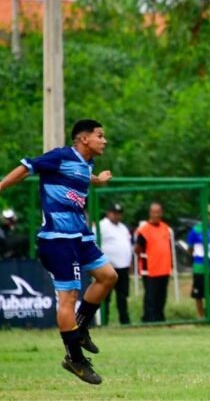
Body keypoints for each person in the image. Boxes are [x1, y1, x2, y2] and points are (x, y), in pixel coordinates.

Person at [0, 119, 116, 384]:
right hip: (57, 239)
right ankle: (74, 359)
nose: (104, 140)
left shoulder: (86, 164)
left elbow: (83, 177)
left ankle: (81, 328)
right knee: (68, 297)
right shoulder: (60, 156)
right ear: (84, 139)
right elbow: (26, 167)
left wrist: (99, 180)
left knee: (108, 276)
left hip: (80, 236)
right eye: (100, 135)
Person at [135, 203, 173, 323]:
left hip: (164, 268)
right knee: (151, 296)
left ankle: (160, 317)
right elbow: (138, 248)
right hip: (150, 269)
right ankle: (149, 319)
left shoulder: (166, 228)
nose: (156, 214)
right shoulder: (144, 230)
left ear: (161, 213)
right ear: (150, 213)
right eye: (154, 212)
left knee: (162, 296)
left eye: (158, 212)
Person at [186, 204, 210, 320]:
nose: (209, 218)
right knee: (198, 293)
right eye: (206, 215)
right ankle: (200, 315)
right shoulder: (196, 230)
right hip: (200, 265)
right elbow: (189, 248)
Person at [98, 203, 132, 325]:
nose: (117, 216)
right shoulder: (101, 226)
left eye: (119, 213)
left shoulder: (123, 227)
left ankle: (125, 320)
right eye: (114, 213)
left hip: (123, 267)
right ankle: (104, 320)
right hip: (108, 267)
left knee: (122, 296)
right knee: (106, 296)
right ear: (108, 213)